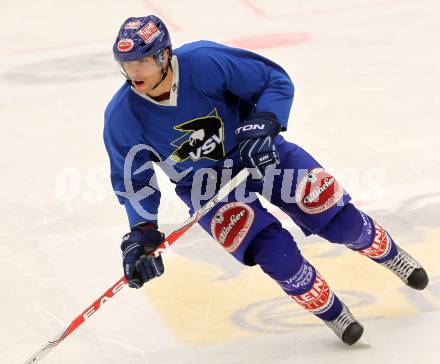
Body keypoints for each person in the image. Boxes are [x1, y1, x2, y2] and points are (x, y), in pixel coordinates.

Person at [103, 15, 428, 345]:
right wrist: (142, 232)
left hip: (259, 154)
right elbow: (132, 177)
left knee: (336, 218)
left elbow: (273, 80)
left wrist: (264, 122)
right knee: (275, 255)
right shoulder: (122, 116)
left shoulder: (204, 62)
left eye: (143, 60)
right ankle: (334, 314)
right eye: (127, 63)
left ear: (164, 55)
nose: (135, 72)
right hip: (205, 187)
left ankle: (392, 256)